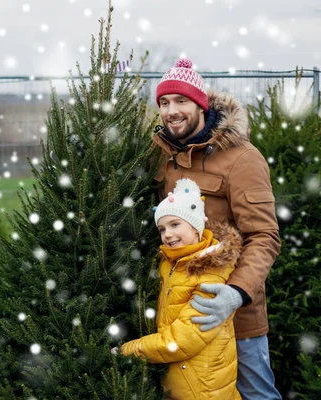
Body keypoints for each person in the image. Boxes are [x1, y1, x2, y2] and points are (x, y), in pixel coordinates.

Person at [151, 58, 282, 399]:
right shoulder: (165, 157)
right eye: (164, 103)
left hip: (237, 316)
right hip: (181, 316)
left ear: (201, 104)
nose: (171, 111)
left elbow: (264, 237)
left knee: (256, 393)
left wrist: (234, 295)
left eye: (181, 101)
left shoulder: (242, 158)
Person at [119, 178, 242, 399]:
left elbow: (181, 341)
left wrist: (128, 350)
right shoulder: (171, 261)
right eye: (162, 228)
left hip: (201, 388)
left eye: (175, 224)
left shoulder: (210, 271)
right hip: (182, 379)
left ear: (196, 227)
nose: (167, 234)